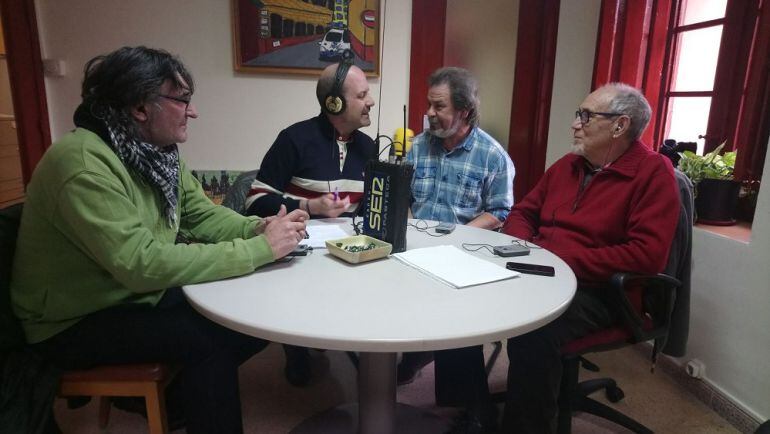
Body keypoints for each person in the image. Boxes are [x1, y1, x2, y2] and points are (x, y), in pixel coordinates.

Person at [9, 46, 308, 434]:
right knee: (212, 339)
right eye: (182, 100)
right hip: (71, 320)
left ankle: (180, 399)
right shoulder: (81, 164)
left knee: (254, 317)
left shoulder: (157, 154)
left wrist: (257, 228)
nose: (193, 111)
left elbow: (200, 214)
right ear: (139, 107)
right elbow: (141, 264)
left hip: (124, 294)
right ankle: (191, 399)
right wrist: (260, 249)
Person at [499, 83, 680, 433]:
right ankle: (471, 405)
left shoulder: (653, 173)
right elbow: (523, 213)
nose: (575, 124)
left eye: (586, 115)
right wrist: (524, 249)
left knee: (534, 331)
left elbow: (646, 257)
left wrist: (557, 260)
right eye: (578, 114)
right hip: (540, 270)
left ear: (619, 125)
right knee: (470, 294)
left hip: (602, 292)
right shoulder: (568, 165)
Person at [244, 60, 377, 386]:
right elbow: (253, 203)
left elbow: (372, 209)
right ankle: (296, 348)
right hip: (300, 250)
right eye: (362, 95)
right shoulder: (293, 139)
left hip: (350, 250)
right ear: (335, 103)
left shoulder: (369, 147)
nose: (370, 101)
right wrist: (307, 205)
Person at [398, 66, 515, 431]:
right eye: (429, 105)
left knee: (457, 319)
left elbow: (499, 212)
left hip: (463, 252)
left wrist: (455, 237)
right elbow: (402, 196)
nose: (430, 113)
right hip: (414, 249)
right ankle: (412, 352)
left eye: (439, 106)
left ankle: (475, 408)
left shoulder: (492, 155)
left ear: (464, 110)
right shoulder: (418, 147)